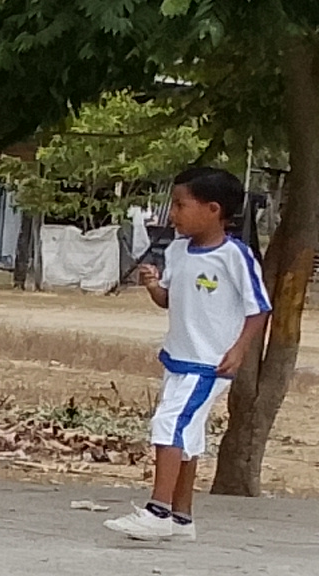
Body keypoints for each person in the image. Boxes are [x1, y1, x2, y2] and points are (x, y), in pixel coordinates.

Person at [107, 164, 269, 542]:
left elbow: (259, 308)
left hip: (208, 363)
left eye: (181, 205)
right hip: (178, 358)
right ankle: (181, 518)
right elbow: (169, 299)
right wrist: (153, 286)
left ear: (213, 210)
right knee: (187, 435)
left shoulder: (235, 256)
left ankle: (158, 510)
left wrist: (239, 349)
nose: (173, 215)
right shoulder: (178, 251)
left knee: (169, 424)